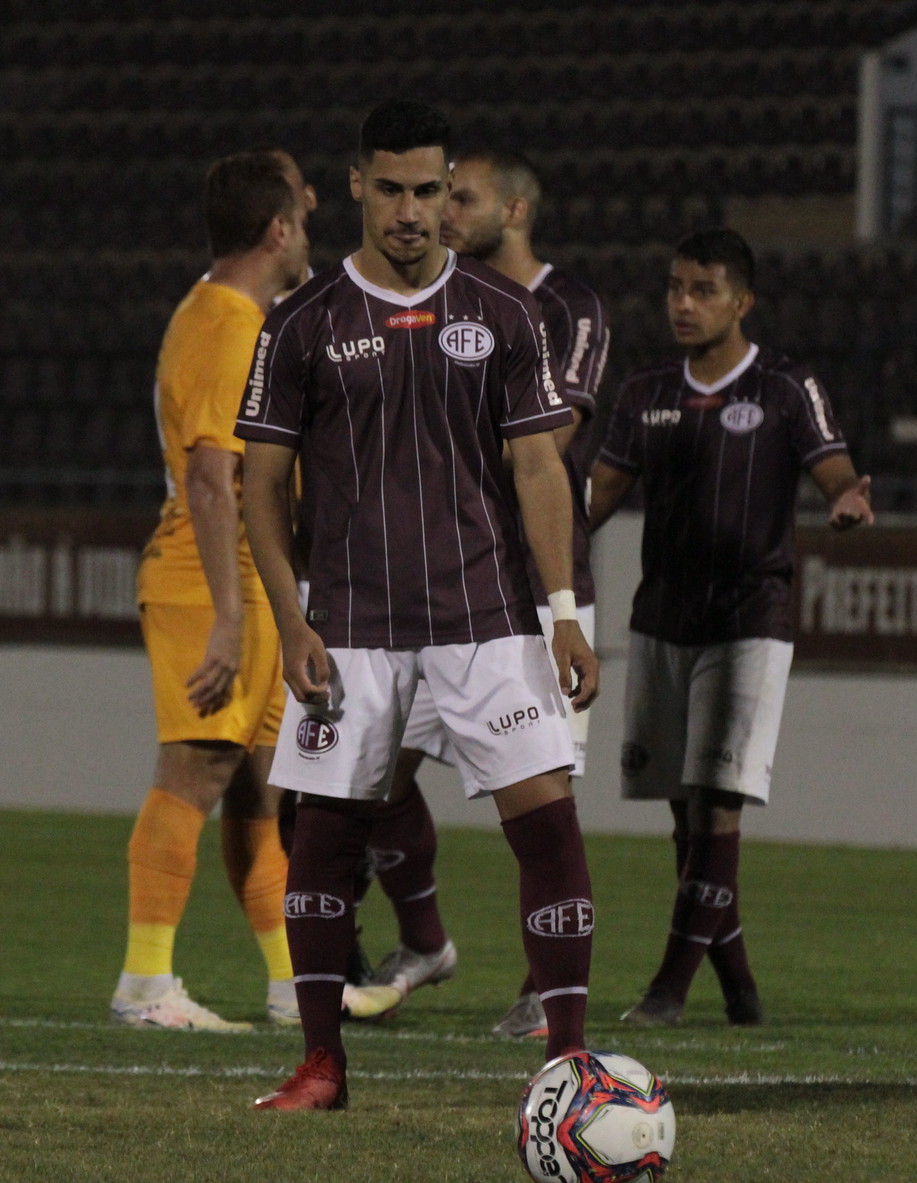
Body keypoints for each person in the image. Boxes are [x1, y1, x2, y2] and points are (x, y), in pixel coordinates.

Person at [238, 100, 602, 1110]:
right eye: (390, 189)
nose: (409, 211)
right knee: (318, 841)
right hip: (350, 631)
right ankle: (320, 1064)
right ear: (355, 184)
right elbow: (258, 486)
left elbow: (537, 467)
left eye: (428, 191)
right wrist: (289, 619)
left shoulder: (502, 312)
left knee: (550, 828)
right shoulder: (300, 322)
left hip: (487, 624)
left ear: (450, 193)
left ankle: (564, 1062)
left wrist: (562, 610)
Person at [114, 148, 396, 1030]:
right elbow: (209, 475)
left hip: (248, 580)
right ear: (277, 231)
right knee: (196, 770)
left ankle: (295, 985)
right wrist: (231, 619)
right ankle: (145, 982)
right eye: (302, 221)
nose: (308, 235)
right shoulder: (224, 325)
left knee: (262, 789)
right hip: (208, 579)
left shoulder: (242, 319)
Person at [352, 149, 614, 1041]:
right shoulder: (428, 301)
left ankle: (552, 989)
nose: (441, 210)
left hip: (529, 584)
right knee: (378, 773)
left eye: (459, 196)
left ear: (515, 208)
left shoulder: (564, 307)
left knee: (536, 800)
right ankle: (423, 941)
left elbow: (543, 439)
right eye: (433, 193)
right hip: (427, 586)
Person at [585, 228, 874, 1027]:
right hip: (661, 616)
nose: (683, 303)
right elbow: (596, 497)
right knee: (684, 811)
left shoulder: (785, 386)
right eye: (675, 287)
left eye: (703, 289)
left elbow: (834, 465)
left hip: (751, 615)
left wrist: (846, 498)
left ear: (742, 302)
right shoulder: (646, 391)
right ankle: (741, 990)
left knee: (718, 801)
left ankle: (667, 991)